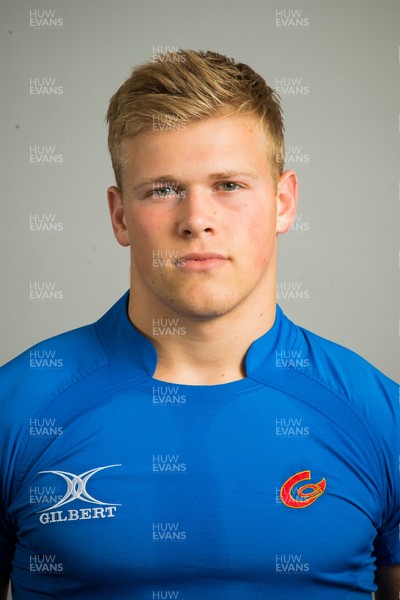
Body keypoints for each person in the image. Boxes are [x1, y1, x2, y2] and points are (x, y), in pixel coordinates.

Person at [0, 49, 399, 600]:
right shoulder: (18, 408)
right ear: (119, 216)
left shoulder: (378, 416)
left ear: (283, 203)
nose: (197, 221)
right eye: (163, 189)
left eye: (229, 185)